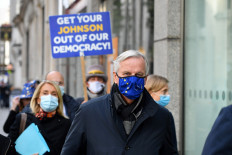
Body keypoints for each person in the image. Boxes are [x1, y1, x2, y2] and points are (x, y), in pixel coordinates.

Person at [61, 50, 178, 155]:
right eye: (126, 74)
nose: (132, 80)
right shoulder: (88, 112)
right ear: (115, 77)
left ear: (145, 79)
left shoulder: (162, 117)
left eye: (138, 75)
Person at [7, 80, 71, 155]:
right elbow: (8, 149)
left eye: (54, 94)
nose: (49, 97)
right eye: (45, 93)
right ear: (38, 99)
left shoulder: (66, 124)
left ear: (58, 100)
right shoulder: (23, 119)